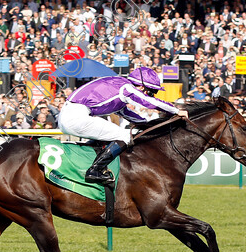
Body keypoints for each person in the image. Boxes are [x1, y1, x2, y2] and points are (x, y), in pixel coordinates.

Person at [57, 67, 188, 184]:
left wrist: (147, 124)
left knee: (108, 134)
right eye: (151, 91)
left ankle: (86, 160)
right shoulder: (126, 88)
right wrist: (176, 111)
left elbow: (126, 112)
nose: (150, 94)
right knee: (125, 135)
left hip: (68, 114)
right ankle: (94, 171)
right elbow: (148, 101)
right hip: (76, 117)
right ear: (142, 87)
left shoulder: (117, 85)